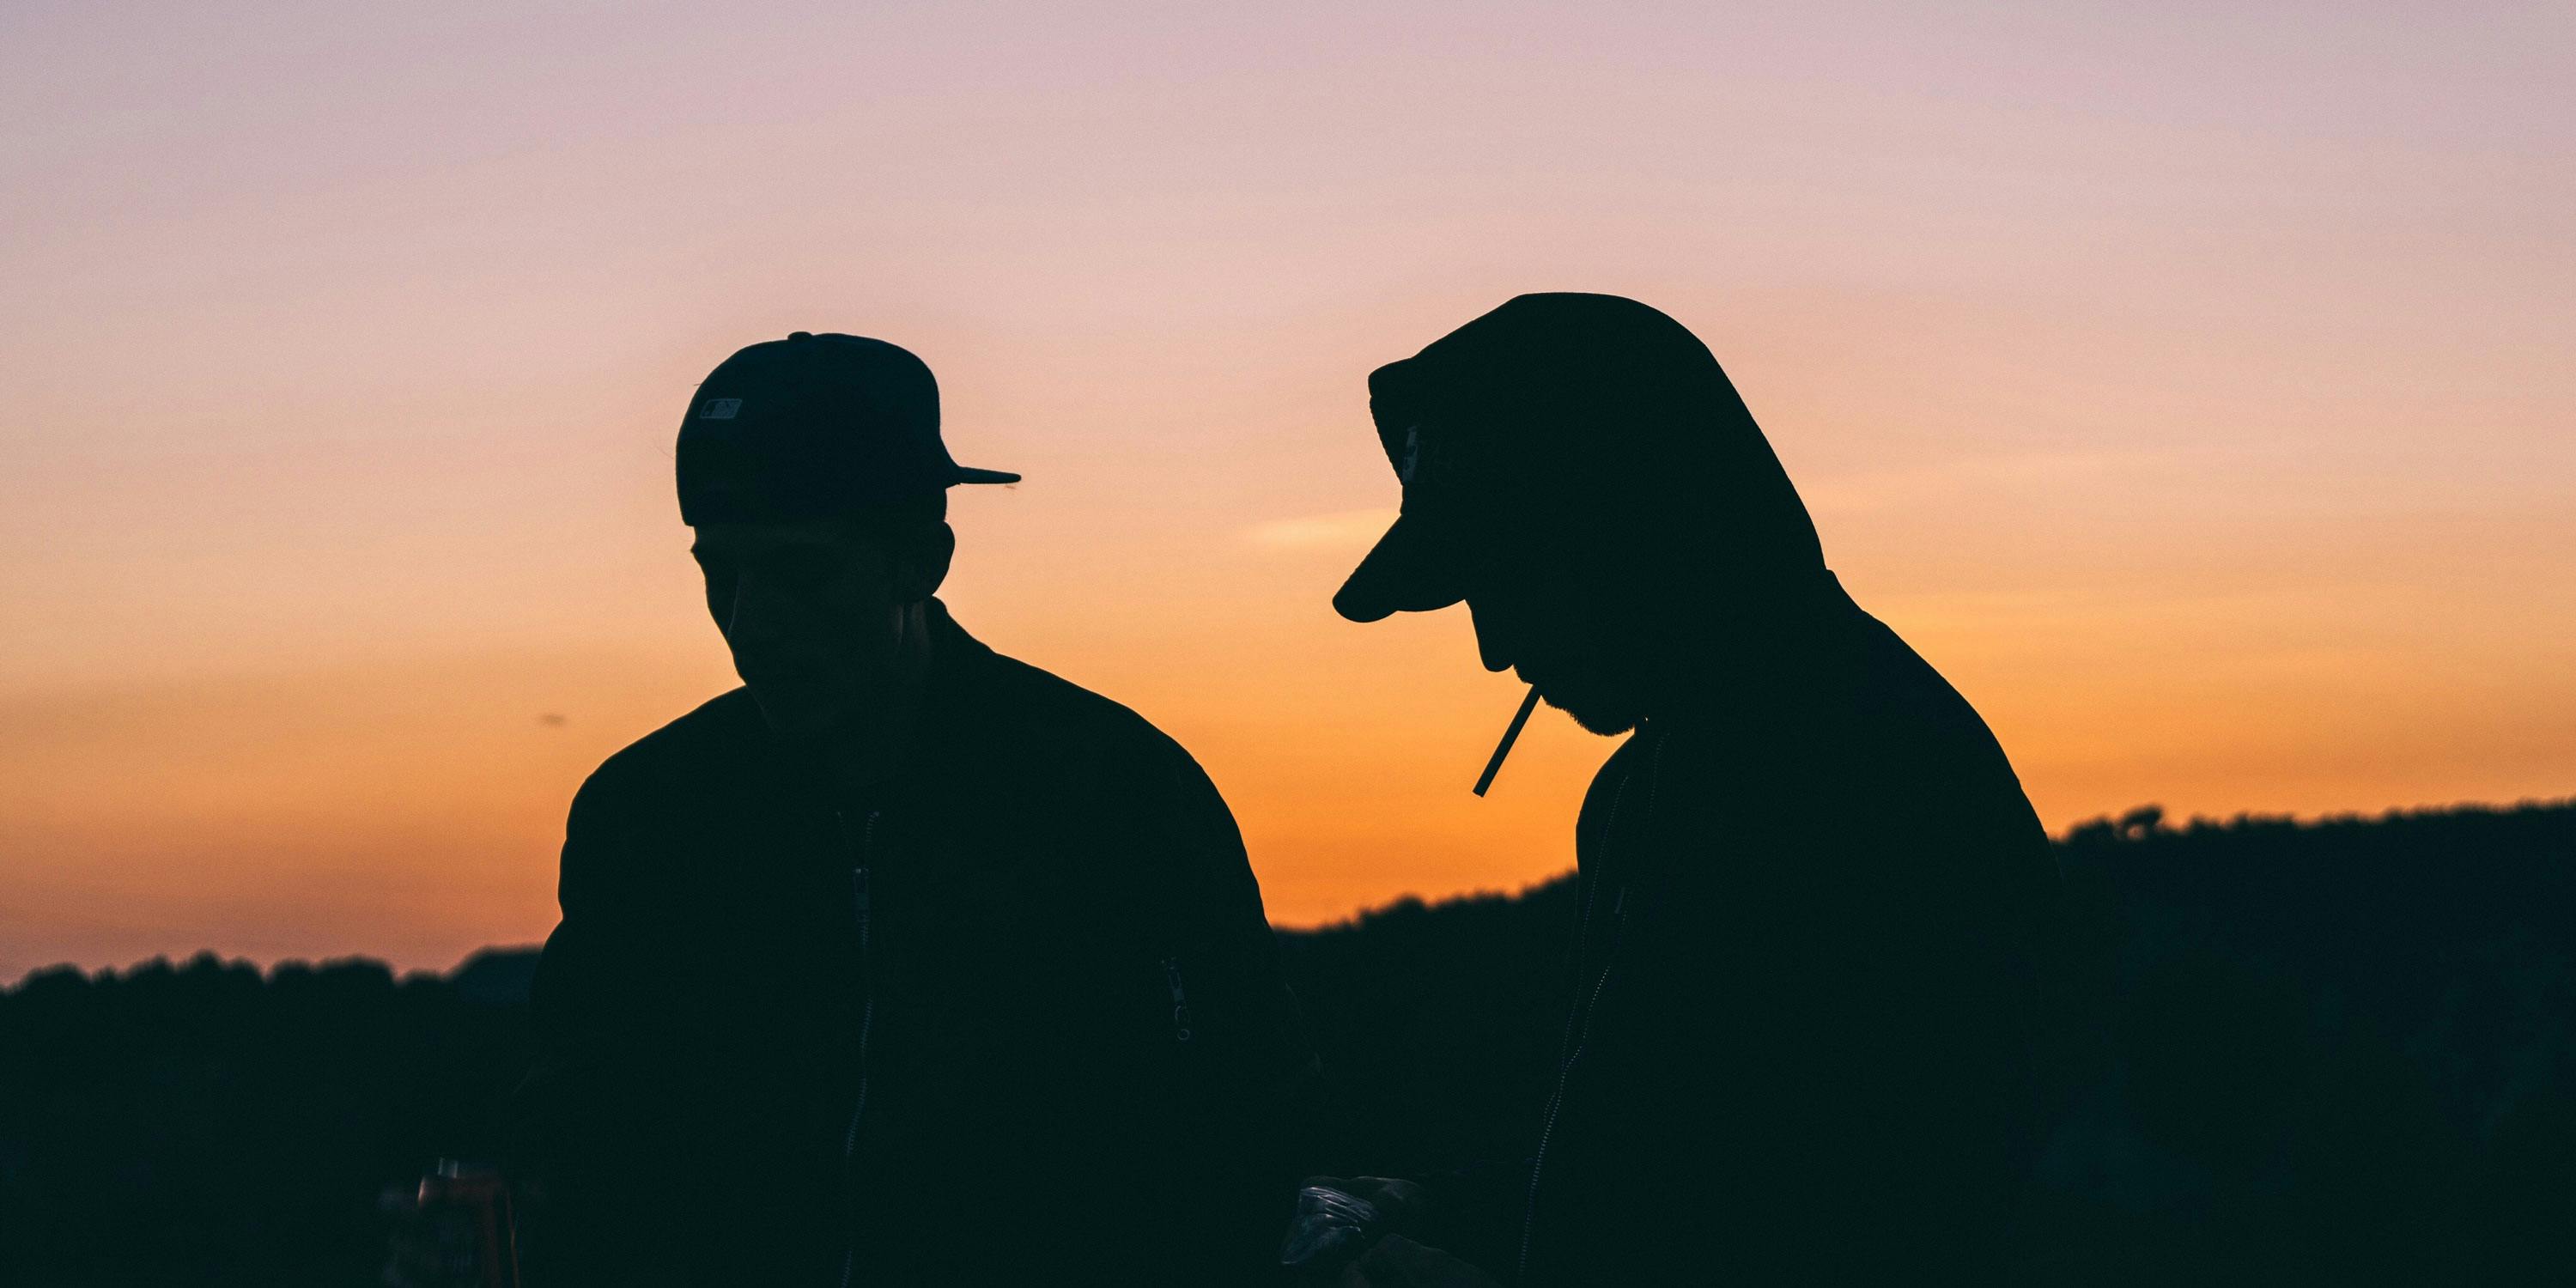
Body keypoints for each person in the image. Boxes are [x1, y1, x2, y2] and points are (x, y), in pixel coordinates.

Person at [512, 331, 1318, 1285]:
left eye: (800, 572)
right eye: (719, 573)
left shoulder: (1116, 795)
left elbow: (1242, 1135)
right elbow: (579, 1154)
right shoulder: (645, 817)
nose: (751, 620)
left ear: (920, 561)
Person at [1291, 295, 2062, 1284]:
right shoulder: (1653, 792)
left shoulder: (1871, 789)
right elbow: (1658, 1156)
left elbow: (1856, 1214)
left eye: (1507, 583)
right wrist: (1441, 1201)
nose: (1491, 648)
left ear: (1628, 537)